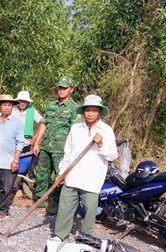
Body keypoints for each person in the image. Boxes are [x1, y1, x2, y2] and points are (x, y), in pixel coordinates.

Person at [52, 95, 117, 241]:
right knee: (65, 208)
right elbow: (67, 152)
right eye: (88, 110)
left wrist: (101, 144)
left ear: (99, 112)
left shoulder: (106, 130)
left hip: (92, 179)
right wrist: (61, 172)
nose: (90, 113)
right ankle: (60, 235)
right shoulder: (76, 127)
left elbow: (113, 155)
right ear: (84, 111)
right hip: (72, 176)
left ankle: (86, 238)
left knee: (89, 211)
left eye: (94, 110)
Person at [32, 76, 79, 215]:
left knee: (60, 176)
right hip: (46, 146)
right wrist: (37, 142)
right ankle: (40, 199)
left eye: (65, 88)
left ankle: (57, 204)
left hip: (61, 149)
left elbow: (74, 131)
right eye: (60, 87)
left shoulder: (74, 108)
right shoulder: (51, 105)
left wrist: (72, 150)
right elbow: (43, 124)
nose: (61, 90)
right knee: (42, 173)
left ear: (71, 89)